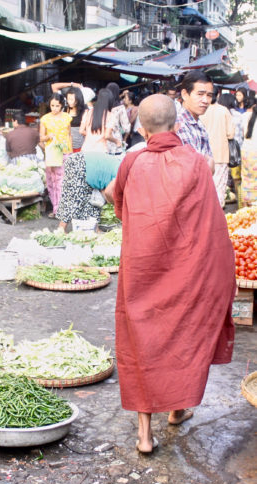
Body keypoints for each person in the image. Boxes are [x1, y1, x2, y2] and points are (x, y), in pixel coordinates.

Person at [113, 94, 235, 454]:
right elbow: (208, 217)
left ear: (142, 128)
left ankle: (144, 434)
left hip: (142, 267)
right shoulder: (196, 163)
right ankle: (177, 408)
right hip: (186, 268)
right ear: (177, 125)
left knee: (141, 341)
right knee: (181, 333)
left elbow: (121, 208)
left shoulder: (131, 162)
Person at [56, 151, 120, 231]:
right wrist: (117, 205)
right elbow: (107, 192)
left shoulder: (122, 168)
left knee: (95, 201)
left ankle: (95, 229)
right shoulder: (121, 172)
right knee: (74, 198)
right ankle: (61, 228)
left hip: (88, 166)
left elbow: (104, 189)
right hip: (80, 163)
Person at [200, 87, 235, 207]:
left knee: (205, 188)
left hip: (204, 155)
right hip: (220, 154)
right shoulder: (224, 110)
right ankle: (218, 217)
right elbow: (231, 133)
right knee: (219, 188)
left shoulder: (201, 111)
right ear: (218, 95)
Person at [39, 93, 72, 218]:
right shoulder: (45, 119)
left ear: (62, 105)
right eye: (52, 105)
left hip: (65, 153)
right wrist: (48, 137)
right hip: (52, 154)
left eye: (57, 106)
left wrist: (71, 151)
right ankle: (55, 207)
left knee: (62, 182)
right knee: (52, 182)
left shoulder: (67, 118)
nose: (54, 108)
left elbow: (69, 135)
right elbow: (41, 137)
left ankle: (61, 209)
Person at [176, 70, 215, 173]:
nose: (205, 100)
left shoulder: (199, 123)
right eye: (200, 94)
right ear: (184, 94)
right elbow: (193, 170)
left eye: (209, 95)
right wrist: (208, 165)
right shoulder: (179, 124)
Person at [80, 88, 119, 153]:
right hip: (101, 151)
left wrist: (92, 136)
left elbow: (81, 131)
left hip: (86, 150)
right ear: (110, 101)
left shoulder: (88, 112)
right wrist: (117, 141)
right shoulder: (110, 116)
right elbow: (107, 136)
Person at [106, 82, 131, 155]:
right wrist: (125, 139)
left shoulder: (102, 107)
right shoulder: (120, 108)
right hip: (116, 143)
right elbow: (126, 128)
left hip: (103, 143)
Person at [240, 105, 257, 205]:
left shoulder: (246, 116)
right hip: (255, 151)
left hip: (246, 151)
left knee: (247, 178)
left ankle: (248, 203)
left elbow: (243, 134)